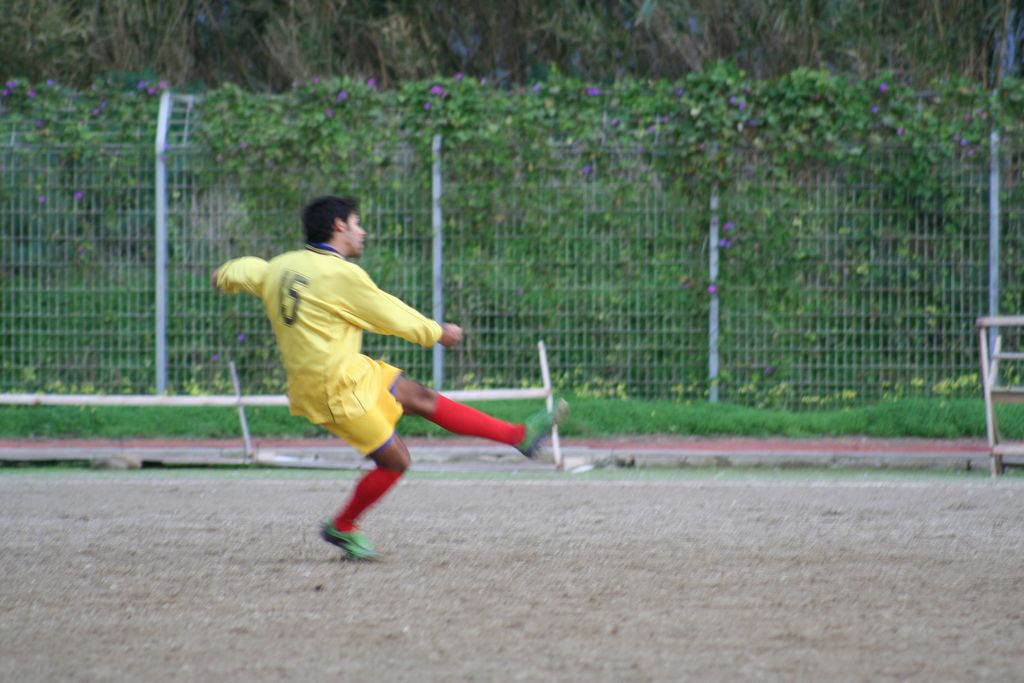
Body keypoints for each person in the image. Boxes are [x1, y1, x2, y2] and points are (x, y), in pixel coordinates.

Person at [211, 195, 567, 560]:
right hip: (333, 390)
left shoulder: (282, 266)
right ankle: (343, 525)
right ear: (339, 226)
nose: (363, 232)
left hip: (347, 371)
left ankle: (518, 436)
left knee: (420, 397)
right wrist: (436, 332)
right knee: (396, 462)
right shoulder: (340, 275)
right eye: (357, 223)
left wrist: (224, 276)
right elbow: (387, 311)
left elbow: (248, 270)